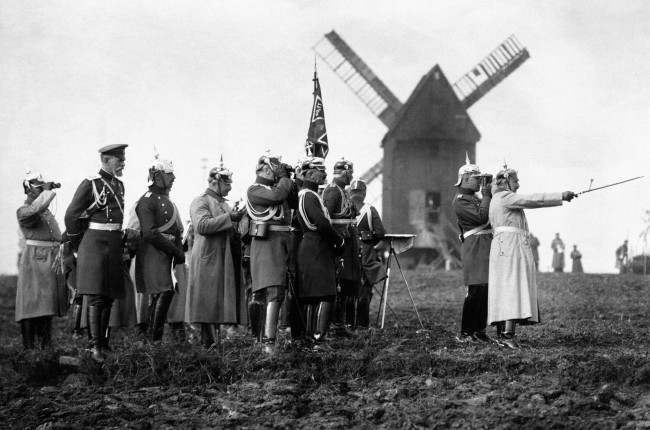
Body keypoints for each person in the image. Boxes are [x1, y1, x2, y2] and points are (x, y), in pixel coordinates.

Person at [487, 164, 576, 349]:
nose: (518, 184)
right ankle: (506, 335)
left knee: (510, 288)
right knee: (512, 288)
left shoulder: (499, 198)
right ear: (505, 181)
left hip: (508, 247)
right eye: (516, 181)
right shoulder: (504, 197)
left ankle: (506, 333)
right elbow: (534, 200)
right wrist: (561, 196)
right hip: (510, 248)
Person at [64, 144, 128, 362]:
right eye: (119, 159)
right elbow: (71, 216)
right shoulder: (90, 183)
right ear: (107, 159)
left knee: (108, 295)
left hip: (113, 242)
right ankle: (94, 347)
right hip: (94, 242)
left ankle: (104, 344)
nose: (123, 162)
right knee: (96, 296)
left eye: (123, 158)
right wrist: (77, 243)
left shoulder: (119, 185)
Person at [186, 161, 244, 348]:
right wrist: (230, 218)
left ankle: (215, 347)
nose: (230, 186)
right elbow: (202, 225)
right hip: (208, 259)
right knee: (207, 303)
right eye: (227, 183)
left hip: (223, 258)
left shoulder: (224, 204)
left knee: (219, 302)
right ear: (215, 182)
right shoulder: (200, 201)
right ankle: (204, 347)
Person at [245, 153, 298, 354]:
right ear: (265, 169)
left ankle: (265, 340)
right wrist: (284, 178)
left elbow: (291, 200)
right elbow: (277, 197)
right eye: (274, 167)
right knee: (269, 291)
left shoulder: (278, 188)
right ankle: (266, 342)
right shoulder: (255, 190)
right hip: (266, 245)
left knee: (279, 291)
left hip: (282, 244)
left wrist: (289, 179)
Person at [134, 156, 185, 341]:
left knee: (163, 294)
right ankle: (154, 342)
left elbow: (177, 230)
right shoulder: (147, 200)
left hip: (166, 252)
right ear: (157, 176)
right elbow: (149, 233)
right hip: (153, 252)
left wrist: (178, 250)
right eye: (169, 174)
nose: (173, 177)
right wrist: (174, 250)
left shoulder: (166, 200)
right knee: (164, 291)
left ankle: (152, 340)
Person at [296, 157, 343, 345]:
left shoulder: (305, 194)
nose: (324, 174)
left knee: (312, 295)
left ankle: (310, 338)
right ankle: (318, 339)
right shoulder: (309, 195)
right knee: (325, 293)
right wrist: (338, 240)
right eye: (319, 170)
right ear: (309, 173)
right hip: (317, 246)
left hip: (311, 246)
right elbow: (321, 222)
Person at [16, 171, 66, 349]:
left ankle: (45, 346)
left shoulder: (43, 211)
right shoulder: (24, 211)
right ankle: (29, 349)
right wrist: (47, 191)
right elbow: (35, 209)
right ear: (28, 189)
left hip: (48, 259)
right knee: (31, 305)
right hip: (35, 260)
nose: (42, 189)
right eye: (37, 186)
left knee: (47, 305)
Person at [451, 156, 493, 343]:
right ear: (466, 179)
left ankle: (479, 331)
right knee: (475, 291)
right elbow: (481, 218)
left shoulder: (473, 198)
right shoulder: (460, 201)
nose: (479, 182)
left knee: (484, 291)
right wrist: (486, 195)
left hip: (483, 247)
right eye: (477, 178)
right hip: (474, 248)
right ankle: (466, 332)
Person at [323, 158, 361, 335]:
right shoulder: (332, 191)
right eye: (350, 173)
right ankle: (336, 325)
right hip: (339, 242)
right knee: (338, 284)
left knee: (347, 284)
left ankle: (342, 324)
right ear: (345, 173)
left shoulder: (343, 192)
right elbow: (327, 219)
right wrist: (336, 241)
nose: (351, 177)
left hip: (348, 241)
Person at [349, 179, 385, 329]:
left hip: (347, 253)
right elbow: (381, 233)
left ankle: (347, 323)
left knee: (347, 291)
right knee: (364, 290)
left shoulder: (343, 207)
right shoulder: (370, 210)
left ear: (350, 192)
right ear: (364, 193)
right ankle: (362, 325)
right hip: (365, 254)